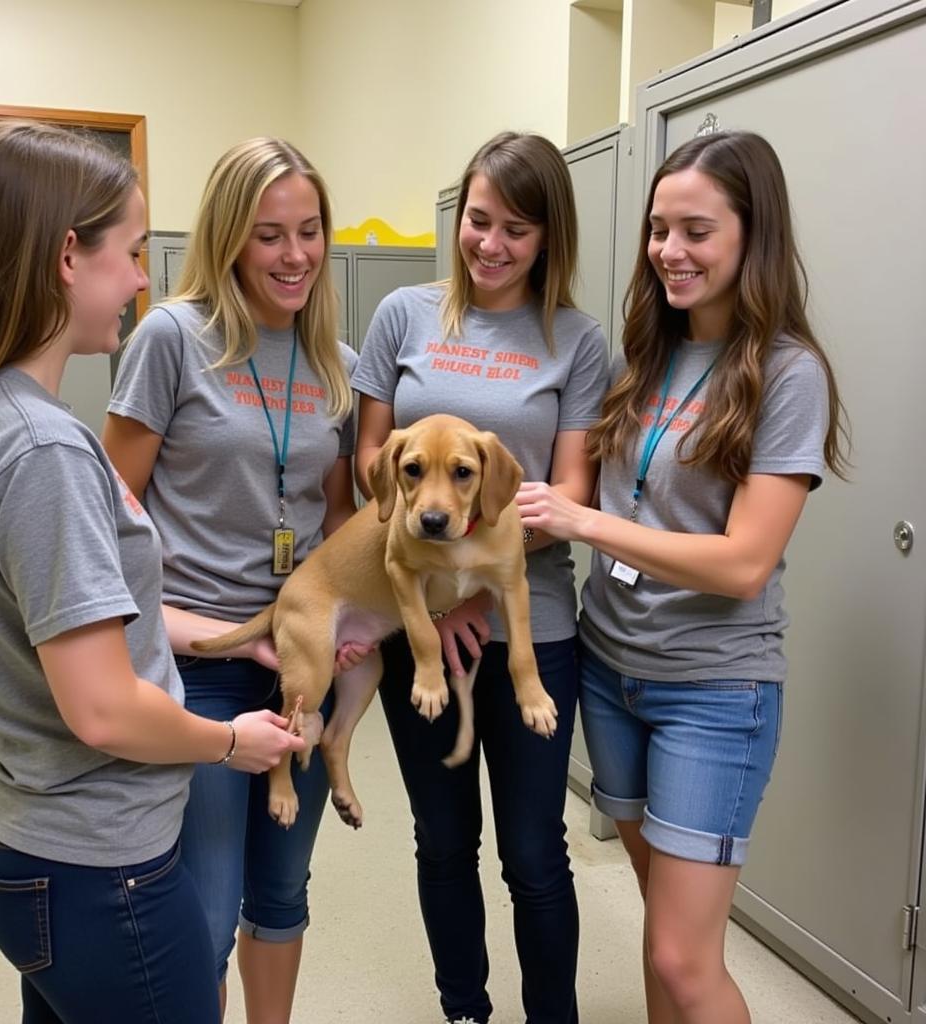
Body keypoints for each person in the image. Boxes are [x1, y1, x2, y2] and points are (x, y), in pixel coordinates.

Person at [0, 121, 305, 1024]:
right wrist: (232, 742)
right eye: (127, 252)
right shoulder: (43, 449)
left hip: (28, 838)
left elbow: (81, 625)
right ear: (65, 259)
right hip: (97, 866)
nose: (140, 280)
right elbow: (102, 707)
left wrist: (231, 636)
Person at [516, 130, 849, 1024]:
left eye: (697, 231)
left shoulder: (787, 372)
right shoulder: (648, 350)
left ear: (752, 234)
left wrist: (585, 520)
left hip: (712, 689)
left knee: (681, 954)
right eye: (660, 230)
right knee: (665, 932)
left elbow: (744, 562)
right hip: (613, 671)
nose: (670, 251)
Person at [102, 137, 362, 1023]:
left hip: (298, 662)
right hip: (201, 664)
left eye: (309, 231)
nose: (295, 256)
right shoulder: (174, 338)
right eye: (268, 236)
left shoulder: (337, 360)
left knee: (282, 892)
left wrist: (353, 623)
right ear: (227, 238)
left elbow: (334, 528)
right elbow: (108, 518)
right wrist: (190, 633)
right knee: (206, 913)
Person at [352, 131, 610, 1024]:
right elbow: (371, 466)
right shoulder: (403, 315)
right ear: (459, 217)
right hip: (420, 625)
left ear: (549, 239)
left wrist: (470, 563)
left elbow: (573, 489)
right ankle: (464, 1008)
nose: (492, 245)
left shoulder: (577, 341)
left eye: (519, 230)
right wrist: (438, 585)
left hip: (530, 619)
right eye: (479, 220)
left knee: (536, 852)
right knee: (443, 840)